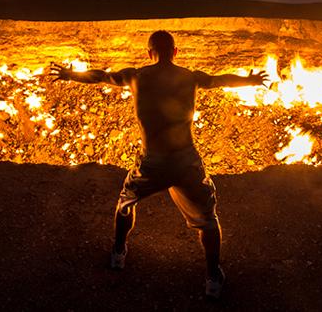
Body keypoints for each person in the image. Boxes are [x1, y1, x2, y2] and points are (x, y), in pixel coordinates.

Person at [50, 30, 268, 299]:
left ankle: (118, 253)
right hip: (186, 160)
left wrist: (71, 75)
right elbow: (219, 80)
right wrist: (251, 80)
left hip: (152, 162)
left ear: (148, 53)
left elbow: (102, 76)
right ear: (175, 52)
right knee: (208, 221)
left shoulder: (136, 76)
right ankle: (213, 278)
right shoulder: (190, 77)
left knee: (125, 203)